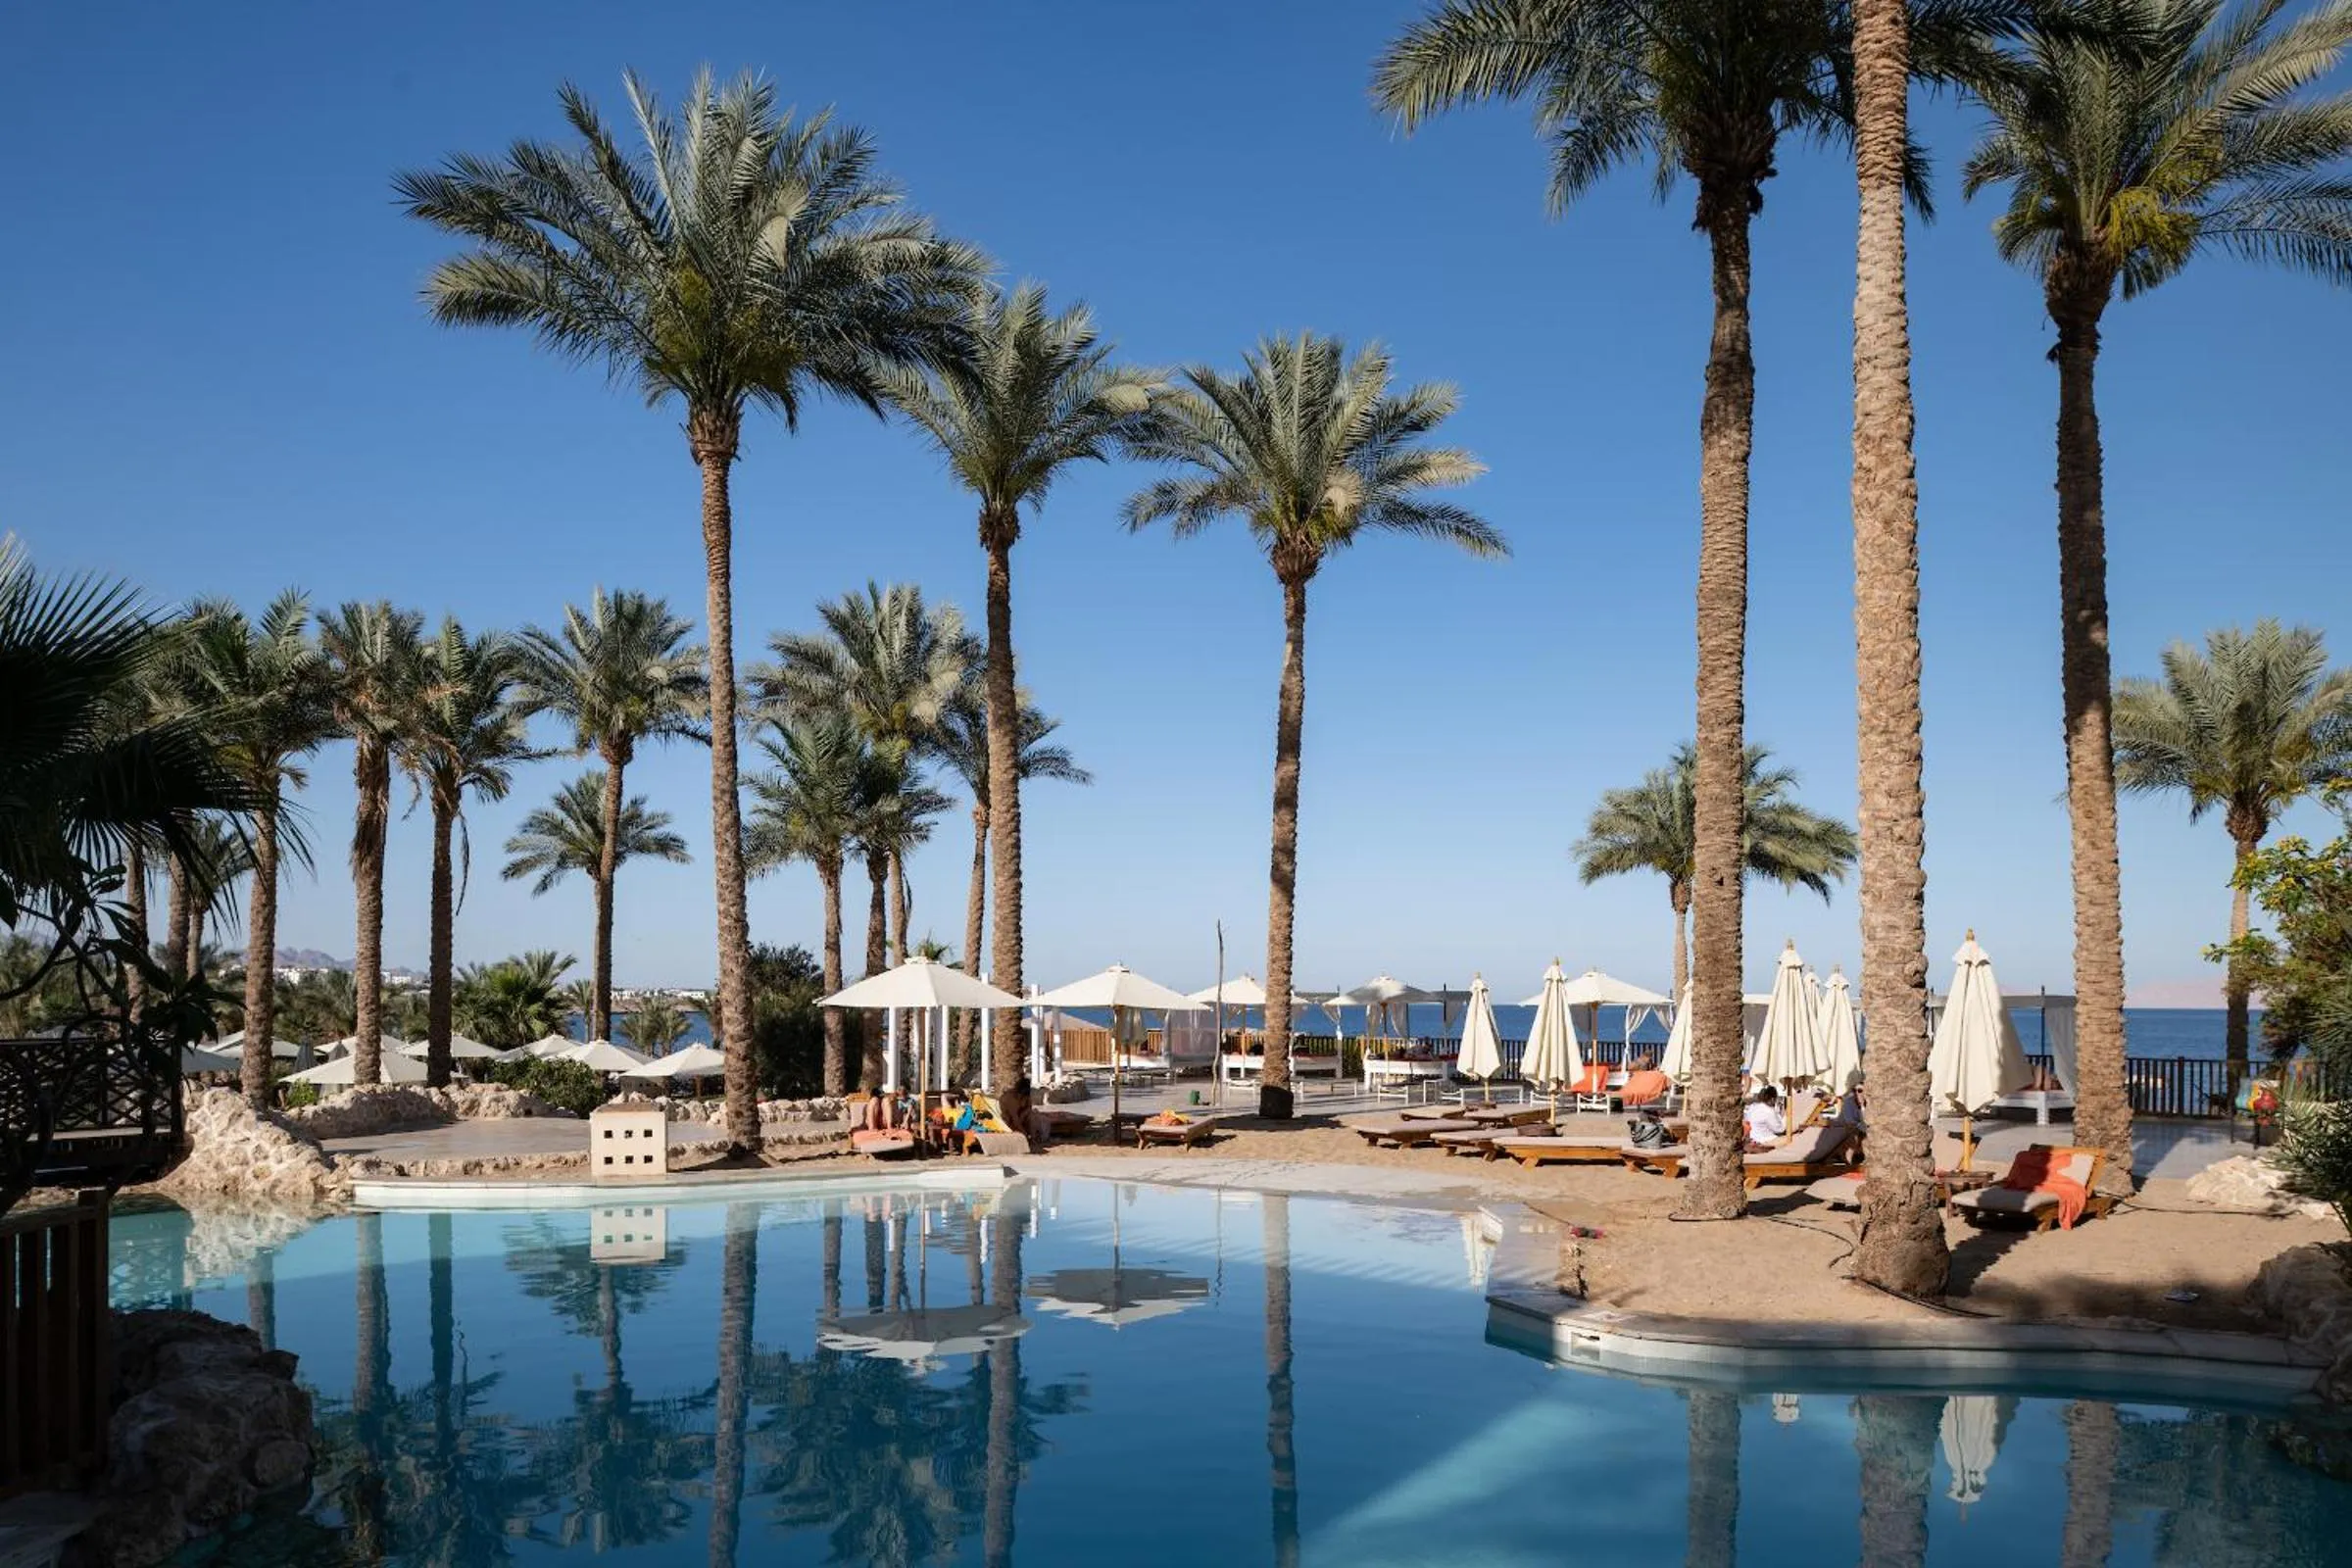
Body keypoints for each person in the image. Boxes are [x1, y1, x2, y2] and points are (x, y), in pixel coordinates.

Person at [1742, 1085, 1785, 1152]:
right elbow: (1779, 1130)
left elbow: (1747, 1120)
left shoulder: (1753, 1107)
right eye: (1776, 1099)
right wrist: (1781, 1116)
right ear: (1772, 1099)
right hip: (1765, 1140)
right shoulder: (1769, 1111)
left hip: (1753, 1138)